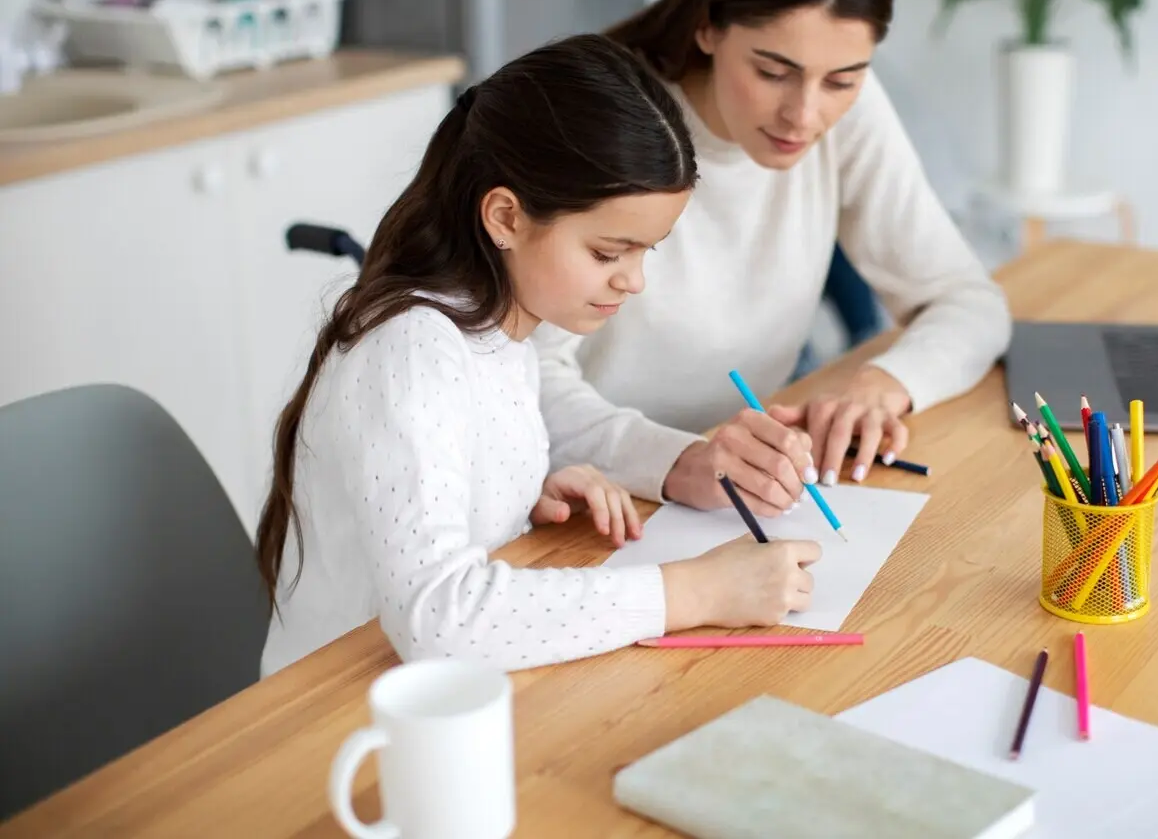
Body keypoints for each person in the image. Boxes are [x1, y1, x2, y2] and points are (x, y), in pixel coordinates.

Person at [255, 34, 822, 677]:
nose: (633, 280)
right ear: (505, 217)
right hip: (334, 707)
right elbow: (438, 619)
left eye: (647, 250)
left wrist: (515, 497)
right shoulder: (413, 347)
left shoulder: (501, 329)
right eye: (608, 253)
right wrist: (697, 592)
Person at [534, 0, 1012, 518]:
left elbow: (969, 301)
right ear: (708, 25)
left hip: (739, 486)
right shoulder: (605, 119)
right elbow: (521, 378)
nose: (804, 116)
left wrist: (883, 385)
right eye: (772, 72)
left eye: (841, 80)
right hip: (589, 498)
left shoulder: (848, 113)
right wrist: (676, 461)